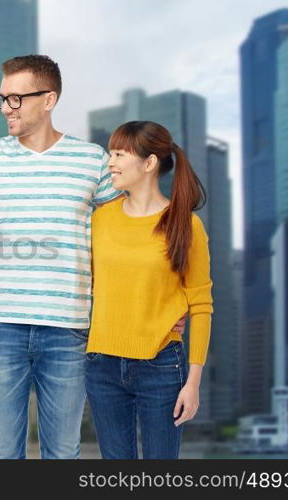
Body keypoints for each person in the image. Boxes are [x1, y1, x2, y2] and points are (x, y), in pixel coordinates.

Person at [0, 55, 185, 459]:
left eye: (16, 99)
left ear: (48, 98)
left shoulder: (91, 161)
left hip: (69, 329)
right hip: (0, 327)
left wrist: (166, 298)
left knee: (63, 454)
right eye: (1, 99)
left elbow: (132, 229)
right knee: (1, 455)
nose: (6, 108)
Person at [85, 120, 212, 459]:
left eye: (119, 154)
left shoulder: (185, 224)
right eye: (111, 153)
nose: (110, 162)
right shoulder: (99, 219)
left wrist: (194, 382)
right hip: (101, 365)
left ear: (149, 163)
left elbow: (200, 305)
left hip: (161, 365)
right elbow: (89, 284)